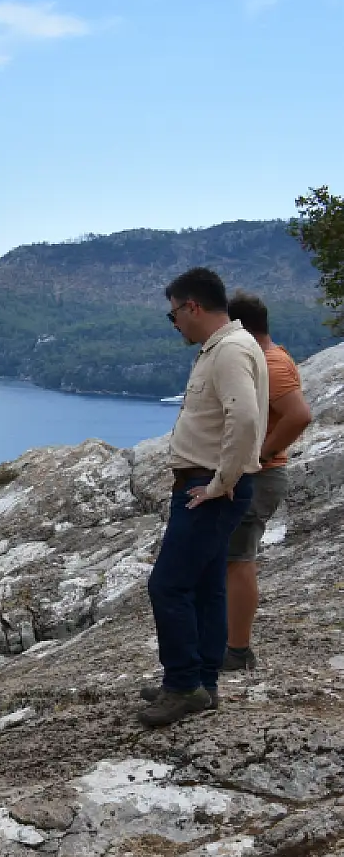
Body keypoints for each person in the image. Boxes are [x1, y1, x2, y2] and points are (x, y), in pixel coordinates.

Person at [139, 268, 269, 728]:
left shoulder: (230, 351)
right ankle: (203, 681)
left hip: (209, 487)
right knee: (206, 584)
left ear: (192, 306)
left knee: (168, 585)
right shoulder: (224, 347)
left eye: (173, 314)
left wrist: (221, 481)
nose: (174, 323)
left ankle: (182, 686)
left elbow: (247, 420)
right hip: (210, 484)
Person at [221, 291, 312, 672]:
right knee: (231, 559)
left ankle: (237, 650)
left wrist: (258, 455)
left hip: (261, 476)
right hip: (259, 475)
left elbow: (299, 415)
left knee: (238, 561)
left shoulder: (269, 364)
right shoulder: (264, 358)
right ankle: (229, 643)